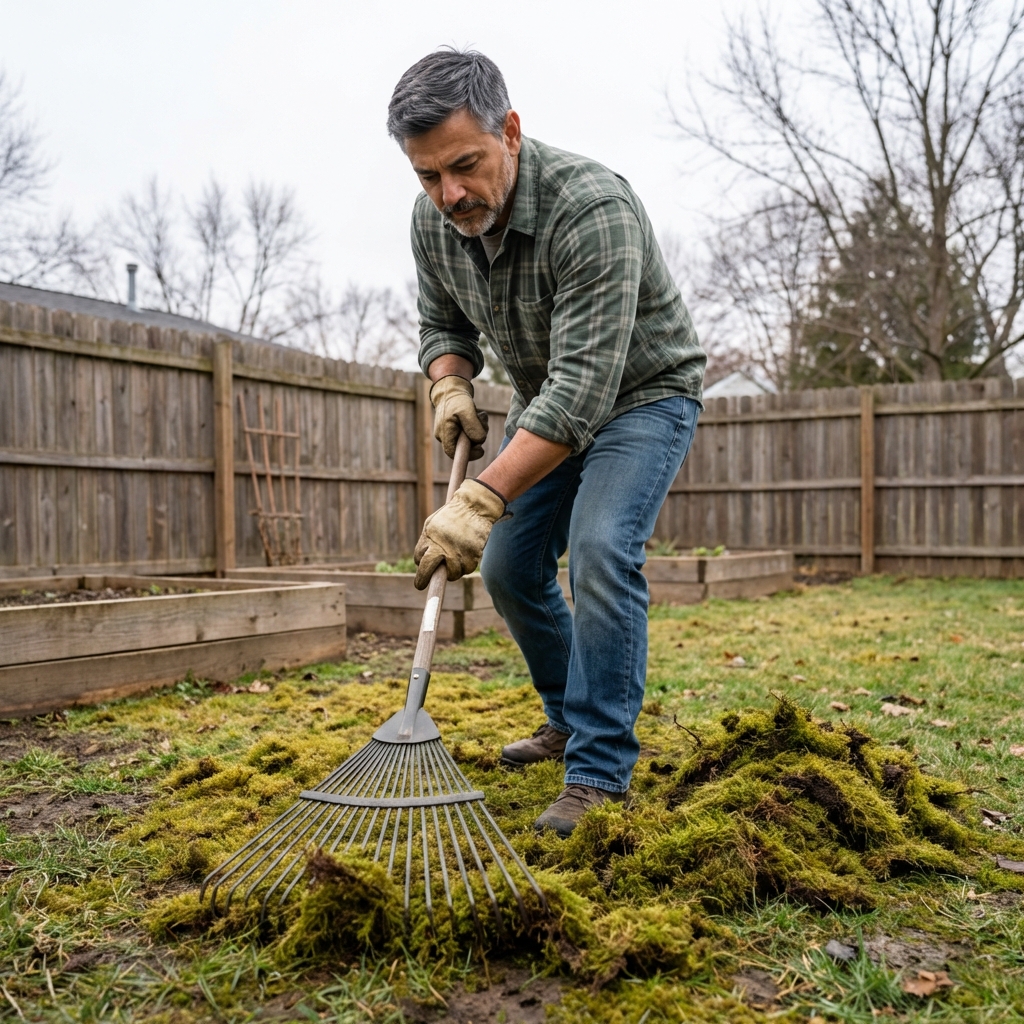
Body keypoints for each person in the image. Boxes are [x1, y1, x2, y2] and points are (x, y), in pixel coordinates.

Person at [387, 48, 705, 837]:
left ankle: (598, 769)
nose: (450, 193)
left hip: (642, 396)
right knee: (509, 566)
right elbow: (444, 325)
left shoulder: (592, 209)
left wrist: (482, 496)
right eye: (429, 176)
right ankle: (566, 717)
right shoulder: (435, 223)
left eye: (464, 165)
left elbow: (584, 392)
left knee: (600, 549)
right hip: (545, 398)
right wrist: (450, 382)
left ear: (512, 133)